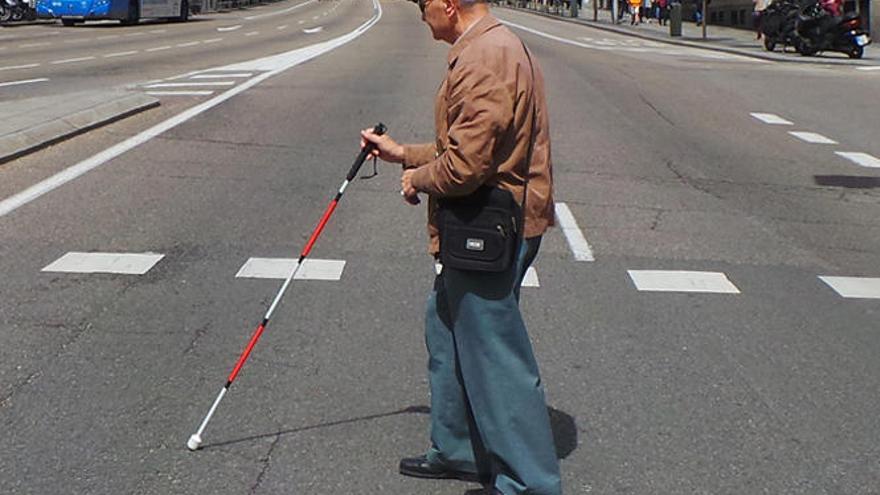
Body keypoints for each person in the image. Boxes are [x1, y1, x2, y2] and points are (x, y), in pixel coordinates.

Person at [359, 0, 561, 493]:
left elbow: (467, 166)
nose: (419, 15)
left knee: (497, 357)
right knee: (446, 326)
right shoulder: (486, 47)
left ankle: (529, 484)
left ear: (448, 6)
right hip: (485, 224)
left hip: (492, 227)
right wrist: (404, 153)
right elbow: (470, 147)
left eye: (423, 5)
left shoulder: (485, 57)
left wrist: (417, 179)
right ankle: (458, 448)